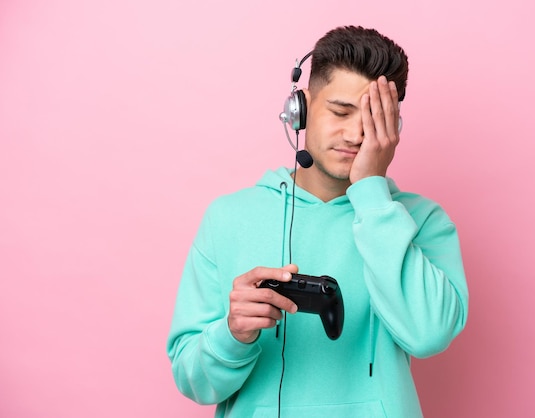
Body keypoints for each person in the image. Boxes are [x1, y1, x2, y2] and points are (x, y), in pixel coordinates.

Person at [167, 25, 469, 418]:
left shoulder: (422, 220)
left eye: (374, 121)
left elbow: (429, 334)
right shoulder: (228, 218)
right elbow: (193, 382)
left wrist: (373, 194)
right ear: (301, 108)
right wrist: (232, 333)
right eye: (341, 112)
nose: (356, 134)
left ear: (393, 129)